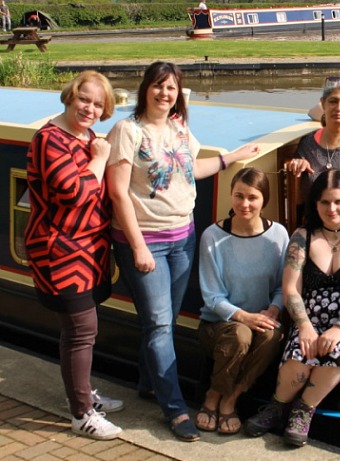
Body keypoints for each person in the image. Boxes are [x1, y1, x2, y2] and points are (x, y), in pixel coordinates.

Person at [105, 61, 259, 442]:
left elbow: (189, 168)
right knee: (159, 325)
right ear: (145, 89)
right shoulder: (127, 131)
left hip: (182, 238)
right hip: (146, 243)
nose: (164, 93)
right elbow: (117, 191)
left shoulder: (178, 128)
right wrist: (138, 246)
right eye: (158, 86)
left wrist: (229, 158)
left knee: (163, 322)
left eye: (171, 88)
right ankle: (174, 410)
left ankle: (147, 383)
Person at [244, 169, 340, 447]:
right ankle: (277, 407)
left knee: (339, 350)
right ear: (315, 204)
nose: (332, 209)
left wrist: (339, 328)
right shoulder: (303, 236)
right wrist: (304, 327)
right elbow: (291, 288)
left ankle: (302, 411)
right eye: (324, 202)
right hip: (311, 315)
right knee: (299, 357)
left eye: (338, 201)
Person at [25, 71, 123, 440]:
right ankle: (82, 414)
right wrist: (99, 158)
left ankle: (84, 394)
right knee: (83, 331)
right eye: (85, 99)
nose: (90, 108)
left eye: (98, 104)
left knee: (76, 332)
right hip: (61, 251)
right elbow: (75, 193)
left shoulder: (86, 136)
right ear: (69, 96)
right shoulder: (49, 140)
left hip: (89, 251)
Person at [196, 167, 289, 435]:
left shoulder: (279, 235)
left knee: (273, 336)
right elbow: (212, 297)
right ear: (230, 195)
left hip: (260, 321)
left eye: (252, 197)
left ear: (264, 200)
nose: (244, 204)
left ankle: (230, 397)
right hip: (218, 325)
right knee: (240, 334)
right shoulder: (212, 236)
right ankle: (213, 396)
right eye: (238, 196)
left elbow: (282, 287)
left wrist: (273, 310)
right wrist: (245, 317)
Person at [287, 77, 340, 215]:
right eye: (333, 101)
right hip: (315, 226)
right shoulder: (308, 144)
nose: (338, 108)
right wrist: (297, 164)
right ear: (323, 104)